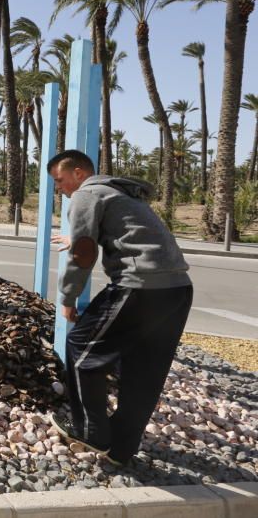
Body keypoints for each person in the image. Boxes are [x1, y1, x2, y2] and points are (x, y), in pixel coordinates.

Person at [47, 149, 193, 465]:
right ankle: (121, 449)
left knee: (82, 348)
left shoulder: (86, 195)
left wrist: (68, 298)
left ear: (79, 173)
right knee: (144, 371)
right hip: (178, 289)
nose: (59, 188)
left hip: (140, 285)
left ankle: (90, 431)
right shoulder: (122, 194)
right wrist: (78, 240)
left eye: (59, 180)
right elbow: (128, 235)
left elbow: (84, 255)